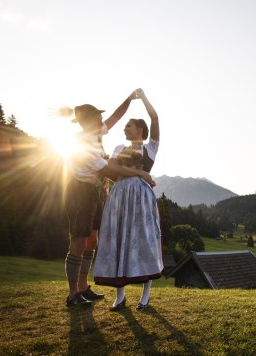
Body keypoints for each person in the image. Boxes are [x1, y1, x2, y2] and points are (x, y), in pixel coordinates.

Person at [65, 89, 155, 307]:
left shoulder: (96, 133)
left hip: (94, 192)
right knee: (78, 241)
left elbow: (115, 116)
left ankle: (84, 286)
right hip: (80, 192)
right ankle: (73, 294)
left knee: (92, 240)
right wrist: (141, 174)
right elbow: (111, 172)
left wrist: (130, 99)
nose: (102, 119)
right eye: (98, 116)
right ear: (89, 121)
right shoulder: (84, 144)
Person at [93, 89, 164, 311]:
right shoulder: (118, 148)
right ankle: (120, 295)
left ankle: (146, 294)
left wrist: (142, 98)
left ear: (139, 129)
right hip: (120, 195)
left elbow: (155, 117)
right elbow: (112, 168)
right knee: (119, 239)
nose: (124, 128)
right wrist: (142, 174)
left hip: (141, 198)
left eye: (129, 125)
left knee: (144, 240)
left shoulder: (150, 147)